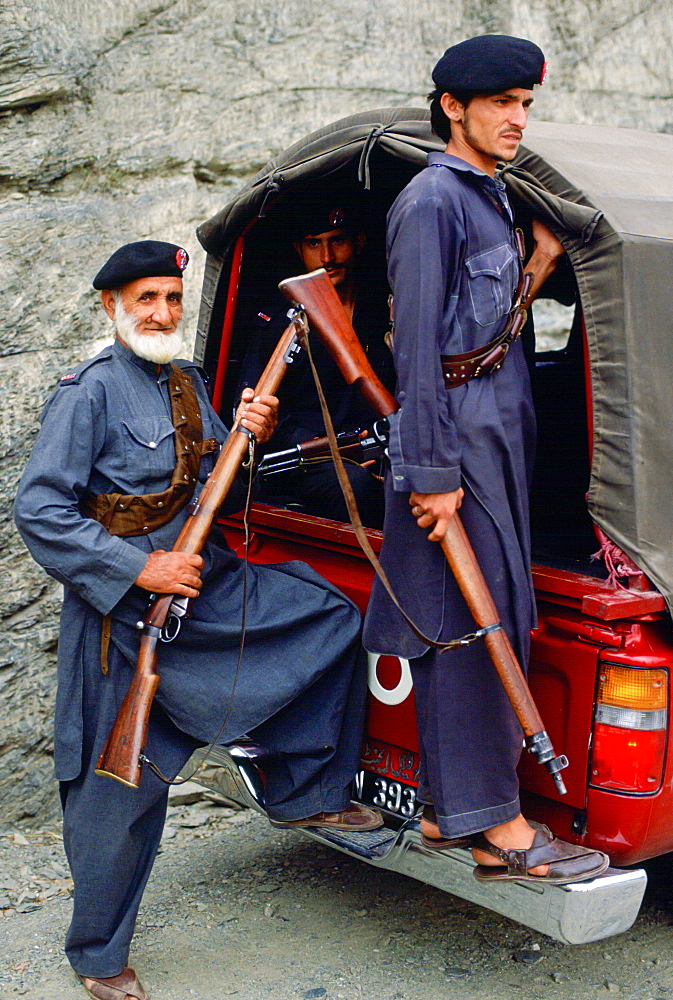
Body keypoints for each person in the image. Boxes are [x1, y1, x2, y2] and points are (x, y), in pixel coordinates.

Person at [14, 241, 381, 1000]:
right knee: (120, 794)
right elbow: (39, 511)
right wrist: (138, 569)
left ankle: (300, 790)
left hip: (205, 592)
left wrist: (250, 429)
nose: (162, 312)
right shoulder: (86, 393)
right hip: (127, 614)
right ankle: (97, 955)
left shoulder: (182, 381)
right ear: (110, 307)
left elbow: (210, 481)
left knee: (329, 614)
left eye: (173, 298)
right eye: (146, 298)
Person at [364, 36, 610, 884]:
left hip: (496, 440)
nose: (515, 119)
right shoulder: (432, 202)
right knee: (470, 626)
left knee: (491, 608)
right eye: (500, 103)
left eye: (524, 104)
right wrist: (430, 477)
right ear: (452, 109)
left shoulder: (492, 198)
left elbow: (487, 333)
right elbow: (420, 356)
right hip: (453, 449)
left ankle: (445, 811)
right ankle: (495, 827)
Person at [238, 192, 394, 528]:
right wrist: (340, 453)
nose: (327, 256)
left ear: (359, 241)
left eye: (338, 240)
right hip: (308, 460)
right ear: (299, 249)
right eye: (313, 244)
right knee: (359, 489)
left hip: (387, 446)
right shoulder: (279, 324)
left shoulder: (388, 310)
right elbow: (258, 413)